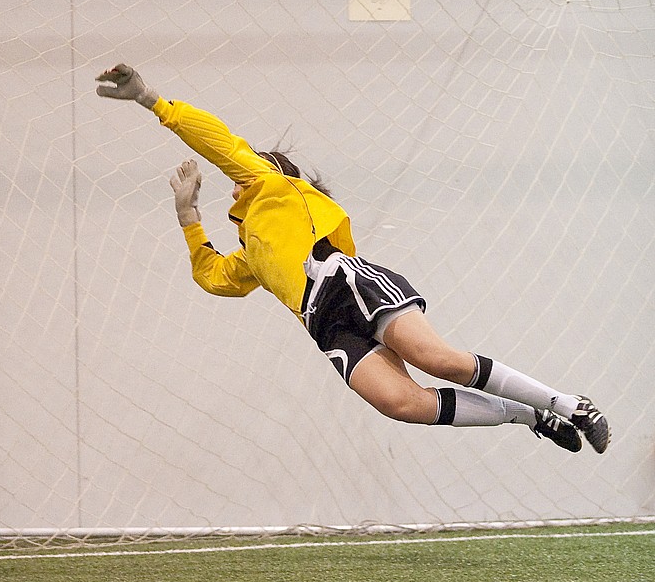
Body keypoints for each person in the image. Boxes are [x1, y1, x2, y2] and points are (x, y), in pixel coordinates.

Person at [96, 63, 610, 454]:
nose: (235, 175)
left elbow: (219, 141)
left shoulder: (274, 185)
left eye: (247, 166)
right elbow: (214, 278)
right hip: (325, 321)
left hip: (348, 284)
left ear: (275, 170)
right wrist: (189, 218)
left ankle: (568, 404)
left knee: (438, 361)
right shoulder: (253, 248)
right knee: (399, 403)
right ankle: (528, 416)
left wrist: (152, 101)